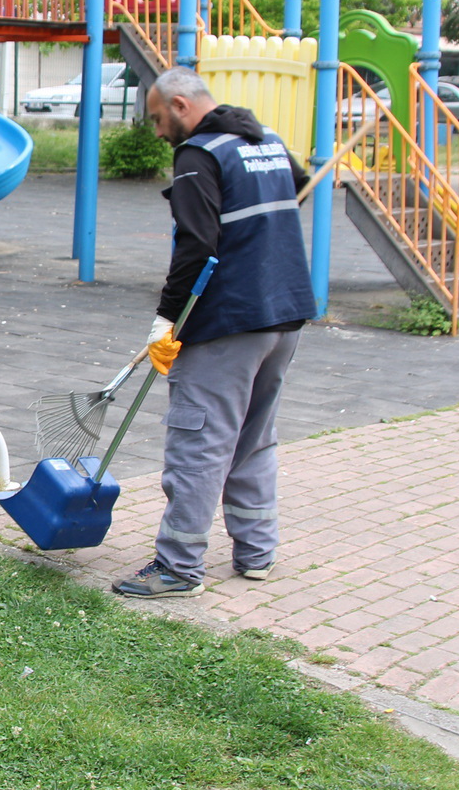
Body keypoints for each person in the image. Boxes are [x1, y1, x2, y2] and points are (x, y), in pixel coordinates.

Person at [114, 66, 315, 599]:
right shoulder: (264, 141)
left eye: (158, 118)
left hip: (229, 319)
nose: (158, 132)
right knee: (253, 438)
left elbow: (196, 247)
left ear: (180, 105)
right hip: (285, 315)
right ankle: (257, 553)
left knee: (198, 441)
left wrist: (165, 320)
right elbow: (298, 186)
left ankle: (179, 567)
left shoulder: (199, 155)